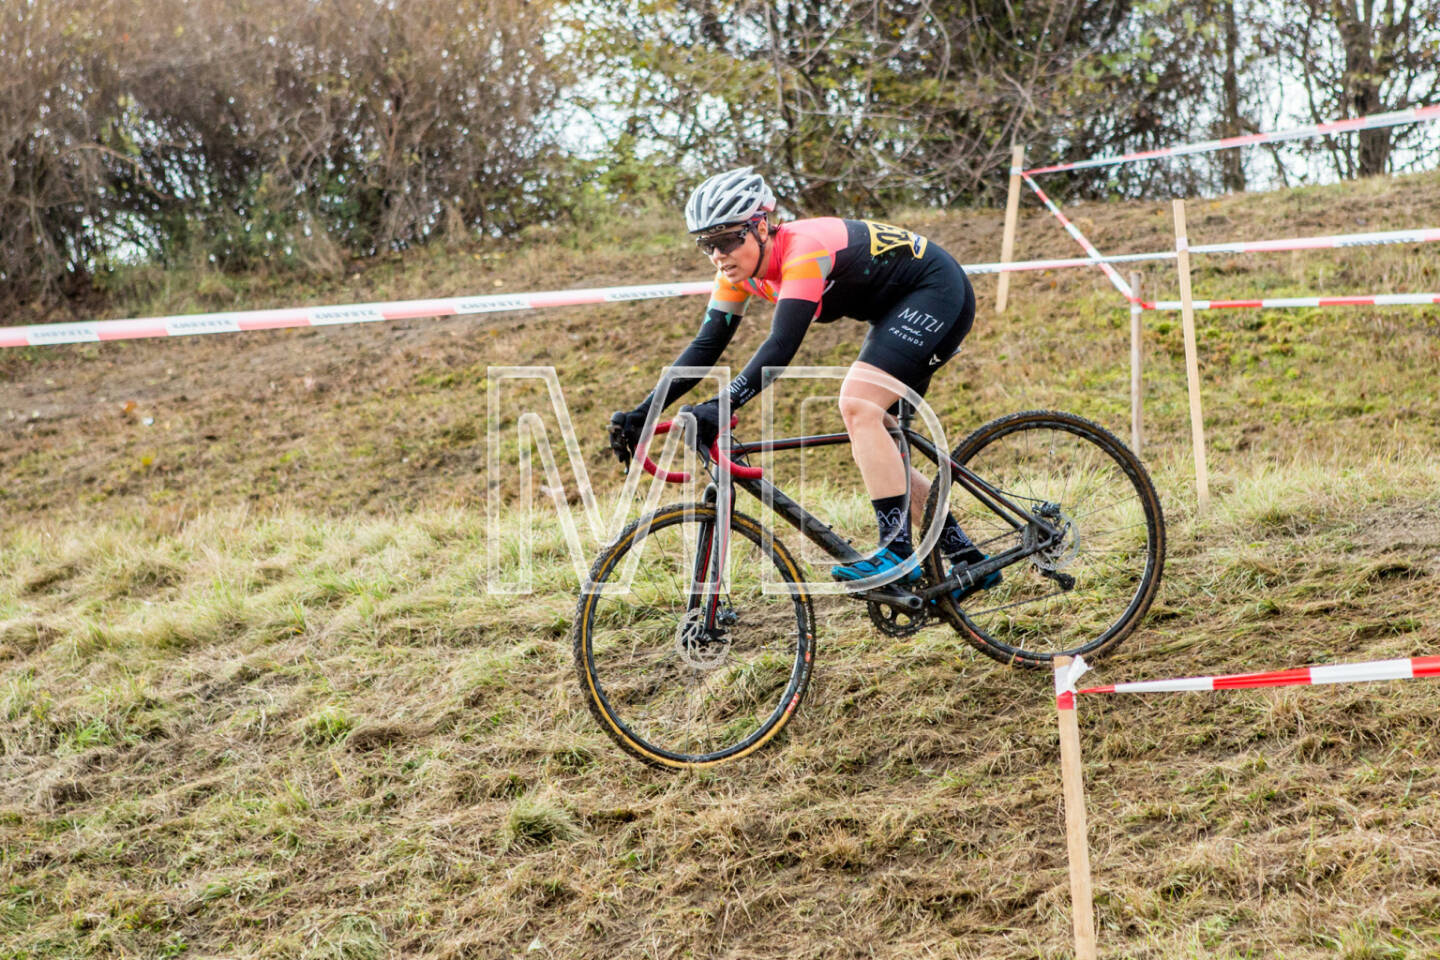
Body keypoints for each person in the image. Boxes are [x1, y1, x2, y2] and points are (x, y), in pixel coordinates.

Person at [610, 166, 996, 598]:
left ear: (759, 227)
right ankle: (968, 557)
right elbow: (706, 346)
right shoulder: (736, 273)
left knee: (858, 406)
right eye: (707, 244)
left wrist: (724, 403)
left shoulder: (803, 250)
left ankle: (896, 553)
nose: (718, 255)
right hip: (894, 311)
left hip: (937, 292)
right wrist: (642, 413)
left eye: (727, 240)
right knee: (878, 439)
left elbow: (781, 345)